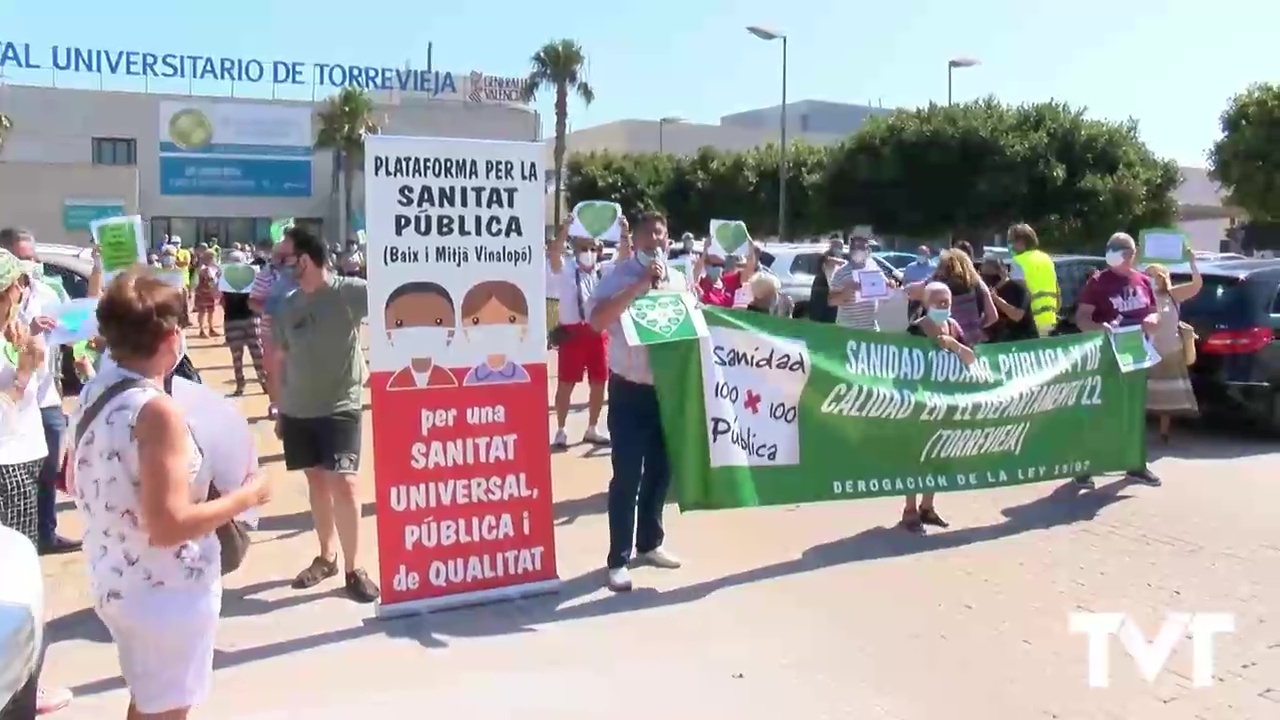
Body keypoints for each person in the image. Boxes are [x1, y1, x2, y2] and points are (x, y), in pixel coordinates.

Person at [68, 267, 270, 720]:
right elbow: (169, 525)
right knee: (168, 708)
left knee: (150, 700)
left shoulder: (97, 387)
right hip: (163, 590)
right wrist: (247, 496)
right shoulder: (156, 412)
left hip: (120, 573)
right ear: (170, 337)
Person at [271, 226, 380, 602]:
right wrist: (279, 406)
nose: (277, 266)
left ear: (304, 259)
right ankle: (326, 557)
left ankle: (353, 568)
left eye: (283, 259)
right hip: (299, 407)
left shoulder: (350, 292)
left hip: (341, 404)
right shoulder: (287, 305)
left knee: (345, 482)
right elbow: (280, 358)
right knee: (316, 482)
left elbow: (394, 301)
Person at [586, 210, 684, 592]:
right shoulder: (619, 275)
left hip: (666, 390)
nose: (657, 242)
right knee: (628, 475)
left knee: (661, 472)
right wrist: (641, 284)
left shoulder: (677, 278)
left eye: (662, 236)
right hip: (629, 389)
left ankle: (650, 542)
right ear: (637, 240)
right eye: (649, 236)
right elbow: (596, 321)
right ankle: (617, 560)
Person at [0, 248, 75, 716]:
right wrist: (25, 371)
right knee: (15, 580)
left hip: (22, 456)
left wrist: (30, 354)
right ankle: (22, 686)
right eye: (18, 285)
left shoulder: (11, 331)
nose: (24, 292)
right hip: (6, 465)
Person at [0, 228, 96, 555]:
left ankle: (45, 533)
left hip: (42, 405)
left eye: (34, 257)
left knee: (48, 470)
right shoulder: (10, 315)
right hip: (10, 432)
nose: (32, 266)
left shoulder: (47, 293)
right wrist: (27, 355)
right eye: (24, 260)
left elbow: (77, 324)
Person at [1072, 232, 1163, 488]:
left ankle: (1135, 465)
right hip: (1106, 356)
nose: (1116, 256)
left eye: (1121, 251)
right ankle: (1084, 465)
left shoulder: (1143, 281)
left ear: (1131, 255)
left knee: (1133, 412)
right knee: (1100, 412)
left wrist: (1152, 322)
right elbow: (1082, 319)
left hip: (1136, 354)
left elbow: (1155, 315)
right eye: (1113, 250)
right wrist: (1100, 328)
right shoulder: (1098, 283)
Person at [902, 282, 974, 533]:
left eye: (947, 302)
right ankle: (909, 510)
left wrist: (953, 345)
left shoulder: (953, 327)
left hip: (946, 404)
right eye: (938, 302)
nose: (943, 307)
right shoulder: (916, 330)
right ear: (925, 304)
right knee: (915, 457)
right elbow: (903, 366)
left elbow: (970, 358)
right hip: (921, 405)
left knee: (938, 455)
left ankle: (928, 507)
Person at [548, 218, 610, 448]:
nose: (589, 252)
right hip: (572, 334)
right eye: (584, 248)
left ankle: (592, 428)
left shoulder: (603, 271)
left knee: (599, 381)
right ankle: (561, 430)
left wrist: (624, 232)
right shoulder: (565, 270)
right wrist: (565, 229)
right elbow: (555, 252)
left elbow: (626, 257)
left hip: (598, 333)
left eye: (593, 248)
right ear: (575, 250)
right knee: (566, 383)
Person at [1144, 259, 1203, 443]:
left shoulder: (1172, 295)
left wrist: (1192, 262)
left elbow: (1196, 285)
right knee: (1143, 394)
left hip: (1170, 352)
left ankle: (1164, 433)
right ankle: (1138, 433)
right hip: (1147, 352)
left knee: (1167, 397)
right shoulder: (1142, 296)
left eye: (1154, 275)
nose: (1152, 279)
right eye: (1148, 276)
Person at [910, 250, 997, 344]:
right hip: (971, 344)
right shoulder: (978, 285)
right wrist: (975, 327)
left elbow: (910, 292)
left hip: (943, 340)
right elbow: (992, 316)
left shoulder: (937, 286)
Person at [248, 243, 293, 421]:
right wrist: (270, 310)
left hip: (300, 330)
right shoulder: (264, 276)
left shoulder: (303, 275)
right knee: (274, 371)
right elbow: (253, 302)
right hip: (271, 331)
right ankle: (275, 404)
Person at [220, 251, 267, 397]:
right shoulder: (252, 275)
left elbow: (219, 299)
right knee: (257, 352)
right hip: (251, 319)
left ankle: (240, 385)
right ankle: (264, 383)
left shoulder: (225, 277)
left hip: (232, 319)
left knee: (237, 356)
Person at [1008, 224, 1060, 336]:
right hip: (1050, 320)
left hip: (1030, 324)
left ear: (1021, 241)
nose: (1010, 245)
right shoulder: (1046, 258)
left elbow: (1018, 295)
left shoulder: (1018, 261)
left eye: (1011, 241)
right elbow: (1057, 290)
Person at [979, 256, 1038, 343]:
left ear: (1004, 271)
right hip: (997, 341)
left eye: (992, 273)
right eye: (985, 274)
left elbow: (1017, 316)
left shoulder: (1019, 288)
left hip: (1022, 340)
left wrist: (996, 299)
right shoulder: (983, 291)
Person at [828, 235, 882, 331]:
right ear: (850, 250)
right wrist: (846, 293)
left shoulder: (873, 268)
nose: (858, 251)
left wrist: (890, 284)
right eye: (855, 248)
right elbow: (831, 301)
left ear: (868, 250)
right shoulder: (841, 272)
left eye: (862, 248)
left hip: (871, 329)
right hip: (848, 329)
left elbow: (884, 286)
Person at [807, 240, 844, 324]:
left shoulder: (837, 257)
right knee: (822, 316)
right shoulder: (828, 256)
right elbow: (827, 260)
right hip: (823, 289)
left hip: (826, 290)